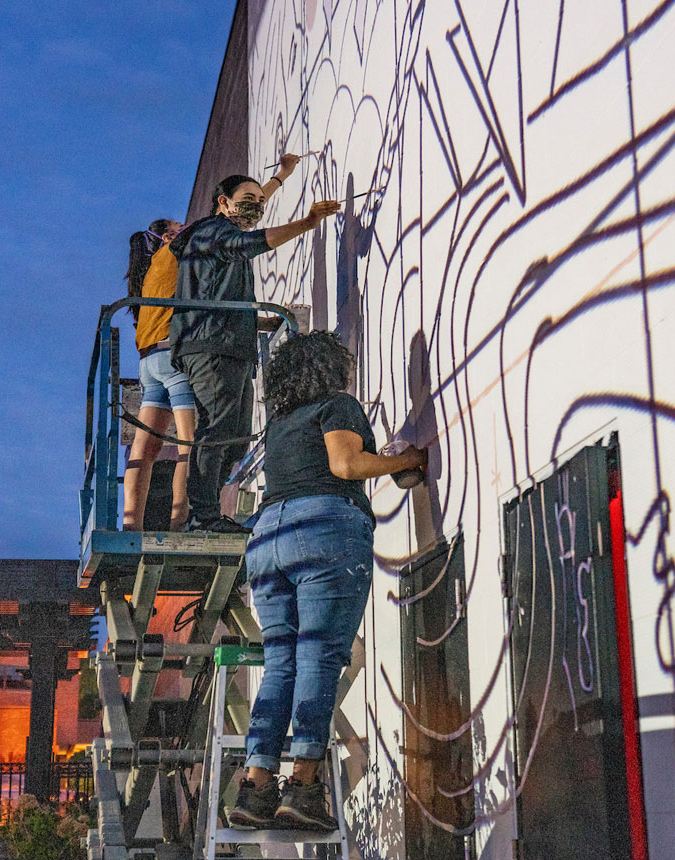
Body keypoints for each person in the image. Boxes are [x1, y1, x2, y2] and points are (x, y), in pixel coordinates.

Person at [226, 331, 427, 831]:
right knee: (318, 656)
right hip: (323, 530)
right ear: (330, 370)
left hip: (267, 539)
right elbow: (345, 465)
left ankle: (254, 789)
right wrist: (408, 461)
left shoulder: (280, 423)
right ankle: (305, 786)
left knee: (280, 662)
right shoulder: (338, 405)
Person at [171, 156, 337, 533]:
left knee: (236, 438)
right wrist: (308, 223)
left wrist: (282, 175)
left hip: (229, 344)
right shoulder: (213, 232)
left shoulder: (218, 233)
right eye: (246, 199)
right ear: (222, 203)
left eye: (259, 202)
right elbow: (255, 242)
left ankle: (207, 513)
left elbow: (255, 202)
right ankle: (204, 518)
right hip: (213, 345)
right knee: (218, 430)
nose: (256, 206)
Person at [123, 218, 193, 531]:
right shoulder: (170, 254)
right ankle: (180, 522)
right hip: (174, 358)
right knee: (189, 446)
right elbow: (211, 225)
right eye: (181, 226)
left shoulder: (147, 274)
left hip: (148, 363)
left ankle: (131, 524)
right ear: (168, 237)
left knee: (144, 451)